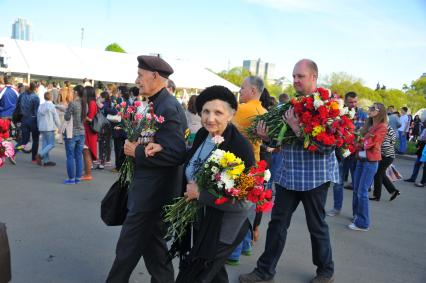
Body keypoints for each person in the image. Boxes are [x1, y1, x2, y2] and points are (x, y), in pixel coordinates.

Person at [239, 59, 338, 283]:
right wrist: (267, 137)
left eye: (300, 76)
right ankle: (264, 271)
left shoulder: (328, 107)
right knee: (277, 224)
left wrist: (296, 127)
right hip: (288, 175)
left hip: (315, 177)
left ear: (314, 77)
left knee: (317, 226)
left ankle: (325, 271)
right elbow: (280, 138)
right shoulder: (289, 106)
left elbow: (326, 146)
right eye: (294, 76)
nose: (295, 80)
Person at [146, 85, 256, 283]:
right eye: (206, 111)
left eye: (218, 112)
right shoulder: (203, 136)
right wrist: (163, 147)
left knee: (194, 275)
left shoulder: (241, 148)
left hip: (223, 230)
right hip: (200, 221)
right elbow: (190, 161)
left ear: (231, 115)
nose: (210, 118)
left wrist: (201, 195)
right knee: (214, 275)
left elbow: (245, 201)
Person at [106, 55, 187, 283]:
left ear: (155, 76)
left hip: (152, 195)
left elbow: (175, 153)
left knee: (127, 250)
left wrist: (137, 152)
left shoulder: (168, 107)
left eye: (141, 76)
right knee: (155, 251)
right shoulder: (155, 103)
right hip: (148, 191)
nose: (137, 80)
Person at [227, 76, 267, 265]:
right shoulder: (264, 110)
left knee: (236, 210)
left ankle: (233, 253)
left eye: (242, 88)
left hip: (240, 164)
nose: (240, 92)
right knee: (248, 208)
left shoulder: (242, 110)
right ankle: (245, 246)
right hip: (257, 164)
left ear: (252, 90)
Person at [327, 91, 367, 216]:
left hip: (355, 154)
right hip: (340, 152)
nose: (353, 104)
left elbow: (364, 134)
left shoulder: (362, 114)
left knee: (356, 184)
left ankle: (356, 213)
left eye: (355, 102)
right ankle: (336, 208)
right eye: (351, 102)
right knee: (338, 183)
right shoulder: (339, 112)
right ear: (345, 101)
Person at [350, 103, 387, 231]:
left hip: (371, 161)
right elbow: (359, 140)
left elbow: (371, 142)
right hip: (361, 159)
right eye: (369, 108)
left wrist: (359, 140)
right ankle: (357, 216)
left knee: (362, 192)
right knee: (356, 190)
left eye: (373, 109)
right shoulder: (369, 124)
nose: (369, 110)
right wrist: (358, 139)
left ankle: (363, 223)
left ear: (380, 112)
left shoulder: (382, 126)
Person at [369, 124, 400, 201]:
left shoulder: (384, 129)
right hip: (388, 155)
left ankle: (377, 195)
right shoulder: (389, 128)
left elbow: (385, 145)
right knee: (381, 174)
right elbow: (393, 141)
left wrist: (377, 149)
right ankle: (393, 191)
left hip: (386, 156)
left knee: (378, 175)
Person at [63, 85, 86, 184]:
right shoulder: (85, 104)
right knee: (79, 156)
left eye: (73, 91)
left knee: (70, 156)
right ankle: (78, 178)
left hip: (72, 133)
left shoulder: (73, 103)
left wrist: (65, 111)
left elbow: (67, 117)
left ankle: (71, 178)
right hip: (81, 132)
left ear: (76, 92)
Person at [15, 82, 40, 163]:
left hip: (24, 119)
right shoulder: (36, 97)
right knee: (35, 140)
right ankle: (33, 158)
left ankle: (13, 151)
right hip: (33, 120)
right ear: (35, 88)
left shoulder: (22, 95)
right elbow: (36, 111)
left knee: (24, 140)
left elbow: (17, 105)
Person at [35, 91, 61, 166]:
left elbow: (38, 117)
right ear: (51, 97)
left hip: (42, 126)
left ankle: (46, 161)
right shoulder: (52, 106)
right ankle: (40, 154)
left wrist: (38, 125)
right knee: (51, 144)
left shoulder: (40, 106)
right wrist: (59, 127)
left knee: (45, 144)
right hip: (49, 127)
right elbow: (56, 118)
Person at [81, 86, 98, 181]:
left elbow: (90, 118)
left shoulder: (91, 103)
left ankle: (88, 174)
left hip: (89, 131)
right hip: (89, 131)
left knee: (86, 152)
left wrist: (81, 117)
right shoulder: (92, 102)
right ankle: (87, 171)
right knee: (86, 152)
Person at [96, 91, 113, 169]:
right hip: (106, 126)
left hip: (105, 126)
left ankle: (102, 162)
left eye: (100, 97)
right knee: (105, 144)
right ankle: (105, 160)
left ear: (103, 98)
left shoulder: (106, 104)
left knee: (103, 144)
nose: (99, 98)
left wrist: (98, 101)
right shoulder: (108, 103)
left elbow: (101, 107)